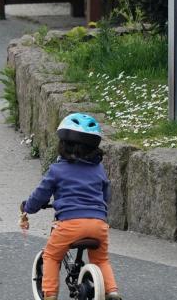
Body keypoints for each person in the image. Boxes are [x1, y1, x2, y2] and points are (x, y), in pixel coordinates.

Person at [19, 113, 123, 300]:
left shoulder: (57, 170)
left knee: (51, 256)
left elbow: (41, 194)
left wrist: (28, 207)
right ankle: (112, 291)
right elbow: (105, 195)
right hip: (98, 225)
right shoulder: (99, 170)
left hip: (69, 225)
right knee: (101, 259)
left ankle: (49, 295)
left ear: (63, 145)